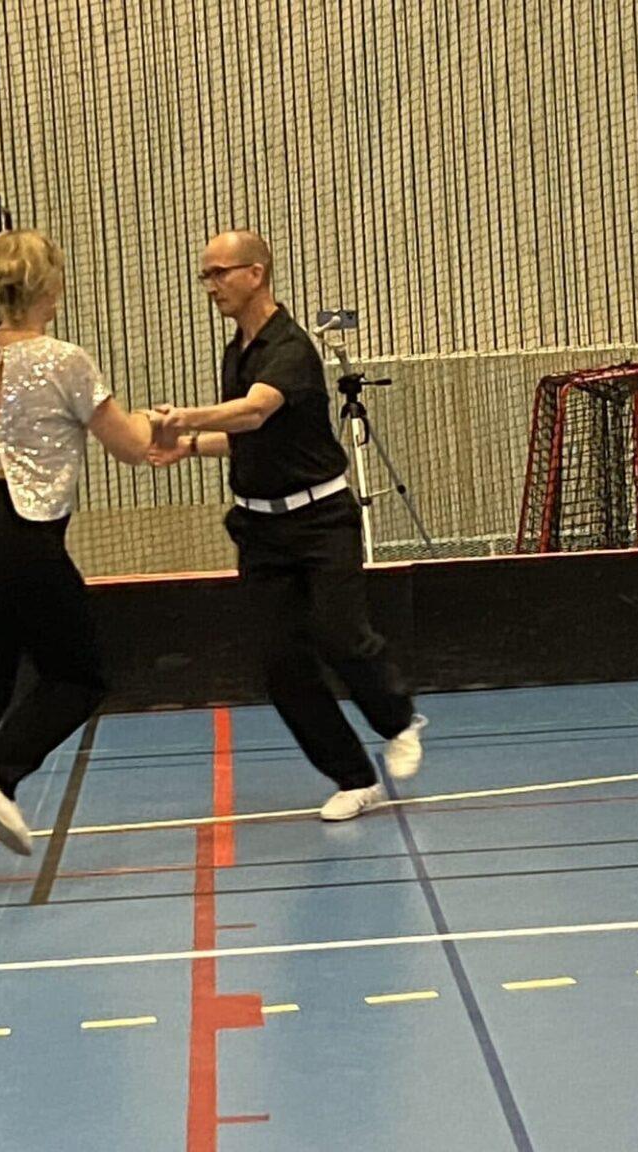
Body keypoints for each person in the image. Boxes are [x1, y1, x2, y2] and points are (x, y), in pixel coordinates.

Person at [0, 229, 163, 890]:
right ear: (52, 286)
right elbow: (131, 445)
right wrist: (163, 424)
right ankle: (1, 773)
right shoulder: (64, 360)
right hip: (22, 537)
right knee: (79, 675)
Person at [150, 230, 426, 821]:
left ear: (256, 273)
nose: (211, 286)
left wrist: (183, 418)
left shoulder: (291, 347)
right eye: (205, 276)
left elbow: (255, 412)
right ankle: (354, 777)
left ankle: (399, 720)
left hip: (320, 521)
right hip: (260, 531)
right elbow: (248, 437)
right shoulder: (238, 350)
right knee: (280, 667)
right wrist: (190, 446)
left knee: (340, 635)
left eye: (220, 273)